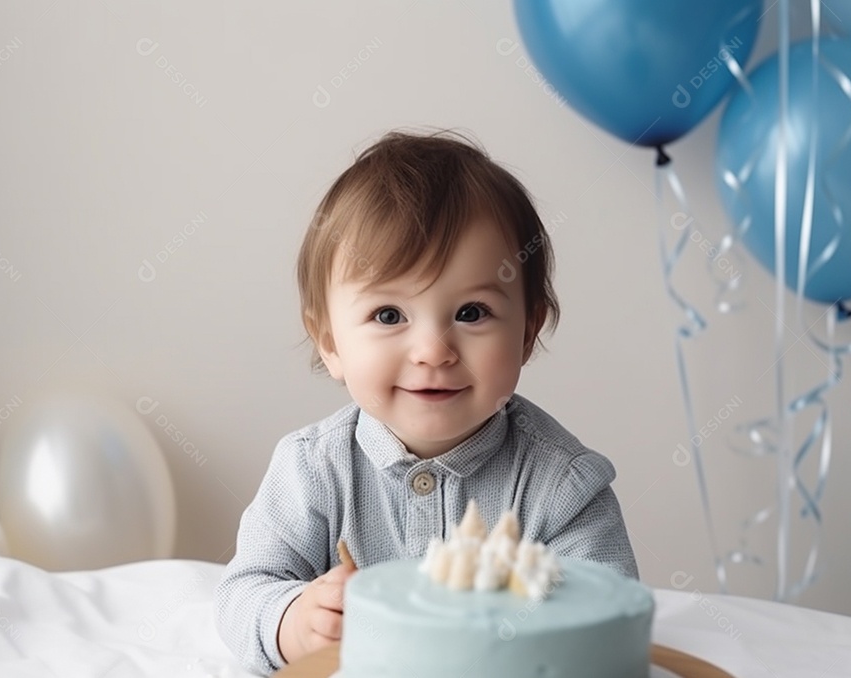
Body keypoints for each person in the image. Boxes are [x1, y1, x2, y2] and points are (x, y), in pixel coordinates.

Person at [214, 130, 638, 675]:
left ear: (528, 331)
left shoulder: (562, 487)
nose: (433, 351)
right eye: (389, 316)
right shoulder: (311, 469)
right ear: (329, 342)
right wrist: (293, 621)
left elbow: (610, 616)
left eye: (472, 313)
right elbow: (243, 590)